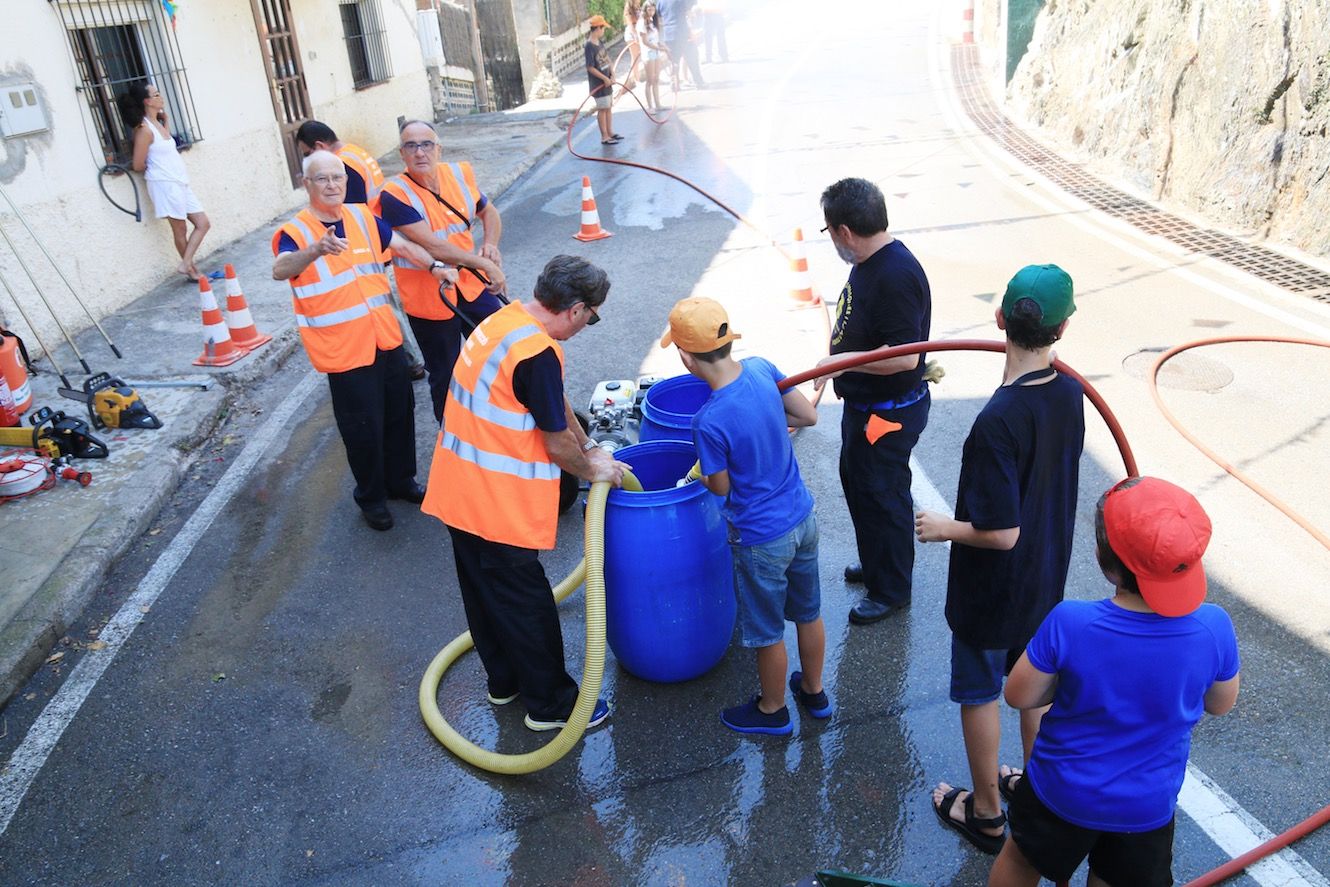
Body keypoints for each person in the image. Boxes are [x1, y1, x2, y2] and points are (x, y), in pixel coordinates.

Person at [985, 476, 1240, 886]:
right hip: (1146, 806)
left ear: (1106, 562)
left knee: (1021, 861)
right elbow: (1220, 702)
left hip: (1062, 790)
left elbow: (1019, 694)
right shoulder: (1214, 628)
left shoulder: (1071, 622)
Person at [915, 264, 1085, 855]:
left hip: (992, 591)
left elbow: (1000, 532)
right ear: (1063, 328)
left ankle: (987, 813)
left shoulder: (996, 422)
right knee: (1032, 687)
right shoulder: (1070, 393)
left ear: (998, 320)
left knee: (980, 691)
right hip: (1044, 579)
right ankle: (1035, 790)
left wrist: (943, 528)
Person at [421, 255, 630, 732]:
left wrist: (592, 446)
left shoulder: (505, 321)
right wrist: (593, 471)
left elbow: (554, 406)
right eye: (591, 316)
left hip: (458, 490)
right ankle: (552, 706)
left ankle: (505, 683)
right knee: (524, 602)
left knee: (482, 592)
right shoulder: (537, 354)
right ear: (575, 309)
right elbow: (556, 443)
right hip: (496, 502)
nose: (587, 324)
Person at [661, 298, 829, 736]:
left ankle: (772, 710)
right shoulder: (761, 367)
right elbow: (807, 414)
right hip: (802, 518)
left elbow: (720, 488)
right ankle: (813, 691)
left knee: (767, 630)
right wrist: (772, 424)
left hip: (761, 538)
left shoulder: (709, 420)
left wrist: (705, 469)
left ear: (685, 356)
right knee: (808, 612)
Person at [272, 151, 457, 531]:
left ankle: (401, 481)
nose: (331, 185)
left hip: (385, 339)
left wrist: (436, 267)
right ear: (306, 185)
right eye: (321, 179)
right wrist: (315, 250)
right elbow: (280, 269)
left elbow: (403, 247)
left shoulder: (361, 217)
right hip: (342, 348)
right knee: (362, 428)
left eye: (337, 177)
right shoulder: (298, 231)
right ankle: (371, 498)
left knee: (398, 415)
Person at [812, 178, 931, 625]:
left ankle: (892, 588)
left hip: (888, 414)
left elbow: (906, 359)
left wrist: (840, 362)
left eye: (829, 233)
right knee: (859, 483)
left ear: (844, 231)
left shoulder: (896, 274)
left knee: (882, 493)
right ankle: (879, 561)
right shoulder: (870, 261)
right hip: (864, 408)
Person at [377, 120, 507, 422]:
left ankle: (501, 422)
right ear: (402, 154)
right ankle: (452, 439)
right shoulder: (395, 194)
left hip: (471, 286)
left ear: (439, 149)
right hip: (430, 300)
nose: (420, 152)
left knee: (503, 351)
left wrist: (491, 244)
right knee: (446, 375)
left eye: (426, 144)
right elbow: (434, 247)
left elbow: (488, 211)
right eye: (411, 146)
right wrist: (486, 264)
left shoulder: (458, 174)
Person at [294, 119, 425, 380]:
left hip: (369, 246)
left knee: (381, 306)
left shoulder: (344, 165)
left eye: (308, 153)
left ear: (320, 146)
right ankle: (402, 359)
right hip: (378, 239)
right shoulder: (355, 152)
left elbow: (346, 213)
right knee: (384, 304)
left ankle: (405, 361)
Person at [118, 81, 210, 282]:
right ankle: (193, 271)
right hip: (164, 184)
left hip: (179, 182)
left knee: (203, 223)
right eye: (156, 94)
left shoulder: (157, 123)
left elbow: (164, 145)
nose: (161, 97)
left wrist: (165, 121)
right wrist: (158, 169)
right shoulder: (144, 129)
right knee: (180, 229)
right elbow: (138, 163)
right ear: (148, 101)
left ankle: (186, 264)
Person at [294, 120, 384, 205]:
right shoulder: (353, 151)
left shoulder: (342, 166)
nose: (308, 159)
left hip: (369, 218)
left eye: (307, 154)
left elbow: (351, 209)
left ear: (319, 146)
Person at [585, 15, 621, 145]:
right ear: (597, 28)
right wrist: (604, 78)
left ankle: (610, 132)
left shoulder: (599, 43)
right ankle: (604, 136)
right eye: (603, 28)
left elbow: (607, 59)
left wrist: (612, 74)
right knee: (602, 108)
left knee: (609, 107)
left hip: (607, 82)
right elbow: (590, 67)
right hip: (598, 84)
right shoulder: (589, 46)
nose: (604, 31)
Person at [656, 0, 706, 89]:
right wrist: (691, 31)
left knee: (673, 61)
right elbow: (689, 15)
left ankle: (674, 84)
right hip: (683, 32)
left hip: (669, 35)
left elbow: (659, 19)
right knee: (692, 57)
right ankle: (699, 82)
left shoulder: (660, 2)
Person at [639, 3, 664, 112]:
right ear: (645, 10)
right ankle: (650, 107)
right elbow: (645, 42)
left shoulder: (653, 22)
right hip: (648, 53)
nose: (651, 12)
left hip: (656, 52)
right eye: (649, 10)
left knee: (656, 79)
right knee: (650, 80)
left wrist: (662, 46)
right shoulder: (641, 23)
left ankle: (658, 104)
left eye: (653, 10)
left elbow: (656, 39)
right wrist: (658, 48)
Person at [621, 0, 643, 94]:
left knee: (641, 56)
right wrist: (636, 36)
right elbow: (631, 25)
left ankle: (639, 79)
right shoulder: (629, 9)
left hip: (639, 32)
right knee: (635, 58)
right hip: (632, 34)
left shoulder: (638, 6)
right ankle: (636, 80)